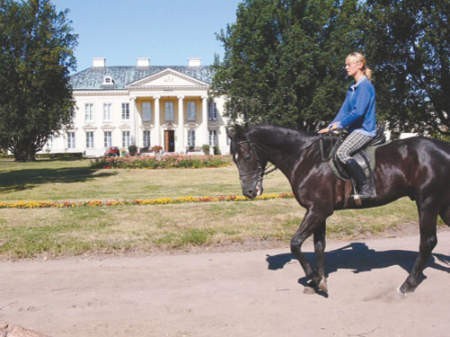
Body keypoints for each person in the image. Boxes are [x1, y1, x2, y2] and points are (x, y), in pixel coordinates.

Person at [318, 52, 377, 199]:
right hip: (353, 130)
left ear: (360, 65)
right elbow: (343, 111)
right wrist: (330, 127)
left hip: (365, 130)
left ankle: (366, 187)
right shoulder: (352, 89)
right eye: (346, 64)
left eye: (349, 64)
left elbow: (358, 112)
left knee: (342, 153)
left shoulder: (365, 86)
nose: (346, 67)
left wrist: (338, 126)